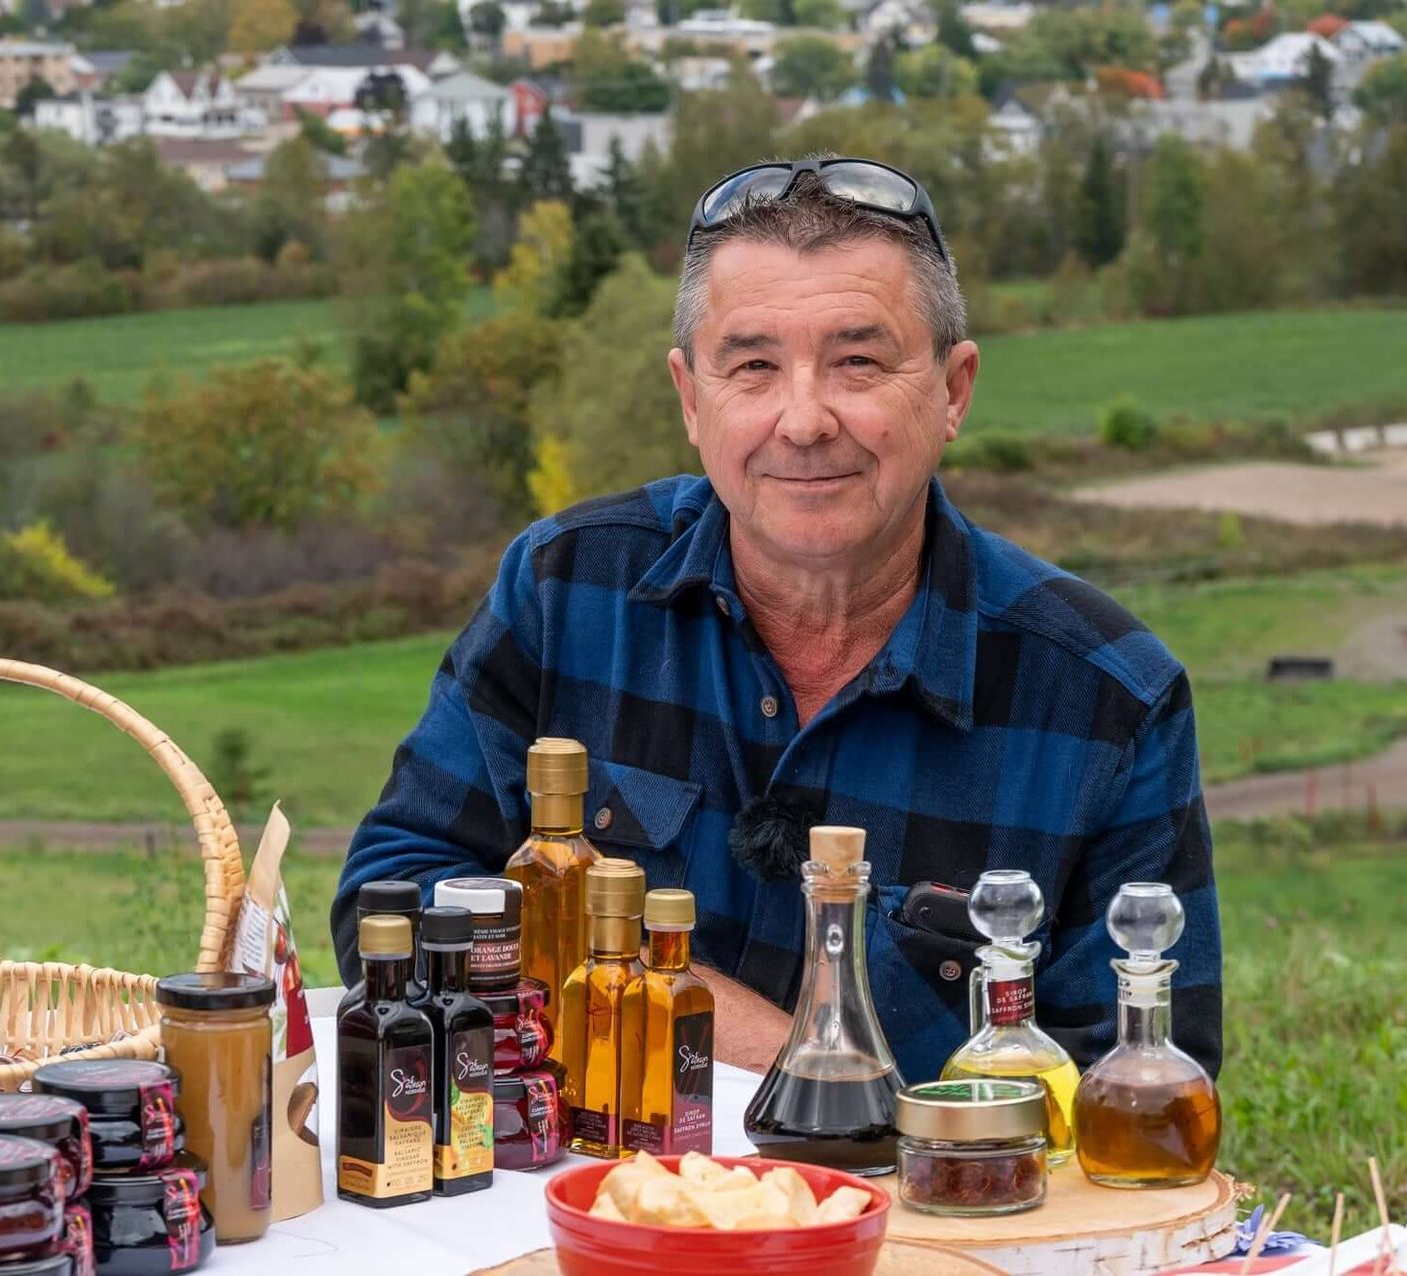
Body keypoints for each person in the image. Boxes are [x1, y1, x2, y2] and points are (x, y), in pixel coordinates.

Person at [329, 157, 1221, 1085]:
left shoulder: (1106, 696)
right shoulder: (566, 590)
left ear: (954, 391)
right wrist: (753, 1042)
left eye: (859, 362)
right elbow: (389, 901)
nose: (803, 419)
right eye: (753, 366)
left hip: (917, 1222)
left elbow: (1147, 1078)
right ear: (689, 398)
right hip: (584, 1193)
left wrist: (657, 1009)